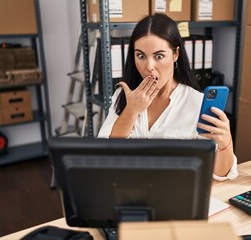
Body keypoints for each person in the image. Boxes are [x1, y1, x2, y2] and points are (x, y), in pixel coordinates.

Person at [98, 13, 238, 181]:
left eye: (159, 56)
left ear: (175, 54)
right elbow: (106, 150)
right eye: (141, 56)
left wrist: (226, 143)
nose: (149, 66)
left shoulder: (196, 102)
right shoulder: (124, 95)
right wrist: (131, 110)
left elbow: (220, 175)